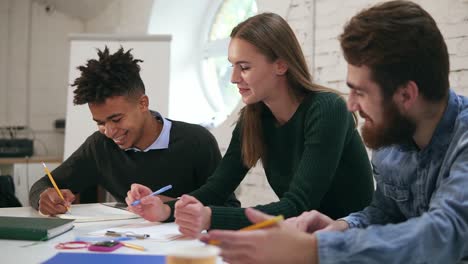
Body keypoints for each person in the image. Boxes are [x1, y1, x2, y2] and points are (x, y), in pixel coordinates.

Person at [200, 1, 468, 263]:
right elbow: (384, 213)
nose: (351, 105)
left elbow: (445, 234)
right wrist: (341, 226)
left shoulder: (462, 139)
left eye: (360, 92)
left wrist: (316, 248)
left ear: (406, 95)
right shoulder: (391, 140)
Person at [126, 12, 374, 236]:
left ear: (280, 64)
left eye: (244, 67)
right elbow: (216, 189)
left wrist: (211, 217)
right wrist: (165, 209)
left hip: (355, 241)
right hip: (304, 239)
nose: (234, 78)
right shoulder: (253, 118)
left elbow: (298, 205)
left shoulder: (327, 109)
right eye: (232, 66)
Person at [29, 47, 239, 216]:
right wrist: (44, 197)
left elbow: (229, 209)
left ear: (143, 103)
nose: (109, 131)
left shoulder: (196, 141)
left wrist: (171, 207)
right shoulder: (100, 146)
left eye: (116, 119)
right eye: (100, 122)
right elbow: (43, 184)